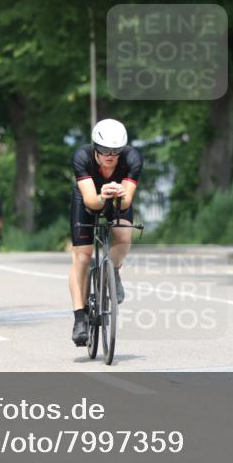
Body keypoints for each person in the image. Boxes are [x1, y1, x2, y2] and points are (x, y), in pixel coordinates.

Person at [69, 118, 141, 347]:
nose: (110, 155)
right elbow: (91, 200)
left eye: (116, 150)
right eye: (104, 150)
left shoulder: (132, 159)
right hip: (89, 197)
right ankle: (79, 317)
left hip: (117, 198)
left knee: (124, 235)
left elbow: (128, 200)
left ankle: (114, 271)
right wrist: (102, 195)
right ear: (94, 148)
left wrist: (118, 193)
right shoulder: (82, 157)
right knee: (83, 256)